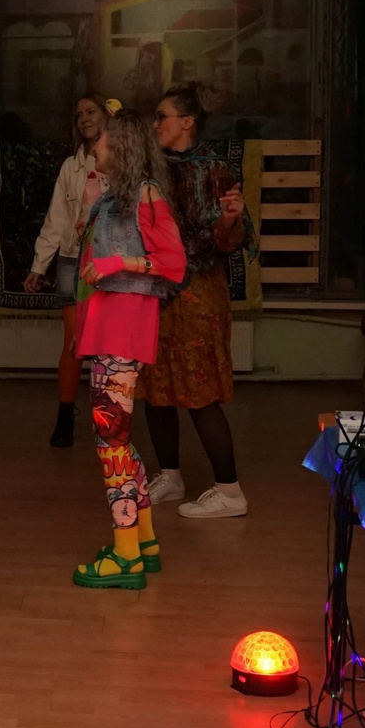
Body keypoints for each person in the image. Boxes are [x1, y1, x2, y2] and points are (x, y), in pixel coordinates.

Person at [68, 109, 186, 589]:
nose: (94, 146)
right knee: (115, 438)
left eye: (101, 139)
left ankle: (126, 557)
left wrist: (115, 261)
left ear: (120, 145)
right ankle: (144, 542)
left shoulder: (145, 195)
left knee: (110, 443)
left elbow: (173, 263)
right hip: (108, 328)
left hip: (123, 331)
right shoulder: (114, 197)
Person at [141, 84, 253, 519]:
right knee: (155, 389)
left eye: (162, 116)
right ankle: (170, 476)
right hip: (156, 292)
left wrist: (229, 221)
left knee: (199, 391)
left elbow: (229, 240)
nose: (155, 124)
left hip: (197, 296)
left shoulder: (215, 169)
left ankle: (229, 491)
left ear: (187, 122)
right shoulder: (150, 168)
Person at [23, 93, 110, 448]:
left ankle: (109, 419)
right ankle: (64, 417)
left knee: (109, 346)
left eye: (91, 112)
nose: (84, 119)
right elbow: (56, 218)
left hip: (109, 262)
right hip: (73, 259)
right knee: (74, 342)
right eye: (78, 114)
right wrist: (39, 265)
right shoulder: (71, 167)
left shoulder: (121, 161)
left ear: (106, 116)